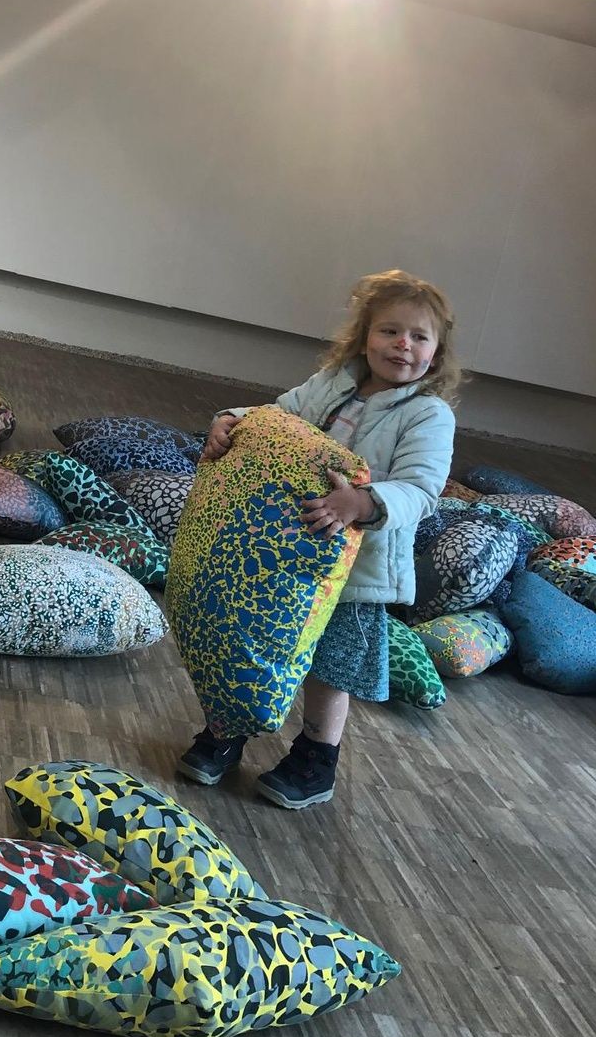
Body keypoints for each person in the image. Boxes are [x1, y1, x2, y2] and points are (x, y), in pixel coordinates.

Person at [177, 270, 458, 808]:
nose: (403, 344)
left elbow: (422, 490)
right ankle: (226, 728)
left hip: (358, 572)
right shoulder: (332, 382)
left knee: (332, 667)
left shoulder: (428, 414)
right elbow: (277, 418)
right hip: (283, 555)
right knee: (250, 642)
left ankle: (315, 757)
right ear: (364, 336)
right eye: (389, 331)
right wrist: (232, 419)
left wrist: (362, 503)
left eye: (419, 337)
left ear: (437, 352)